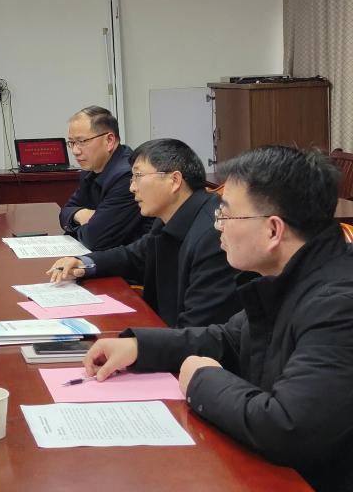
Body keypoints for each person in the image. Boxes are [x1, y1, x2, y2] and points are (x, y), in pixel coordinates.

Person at [83, 146, 353, 491]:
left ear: (273, 230)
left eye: (226, 215)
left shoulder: (338, 305)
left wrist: (202, 380)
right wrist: (139, 347)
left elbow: (286, 427)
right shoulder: (290, 277)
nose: (218, 227)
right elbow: (228, 338)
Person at [47, 139, 241, 327]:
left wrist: (137, 341)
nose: (132, 187)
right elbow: (136, 256)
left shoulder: (215, 235)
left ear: (174, 180)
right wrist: (85, 263)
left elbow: (199, 328)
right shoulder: (169, 216)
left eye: (138, 176)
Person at [59, 106, 149, 251]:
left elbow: (96, 239)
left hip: (134, 260)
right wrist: (80, 214)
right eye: (72, 142)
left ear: (109, 140)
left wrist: (78, 224)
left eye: (82, 141)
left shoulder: (128, 175)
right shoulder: (90, 170)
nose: (75, 151)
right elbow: (65, 211)